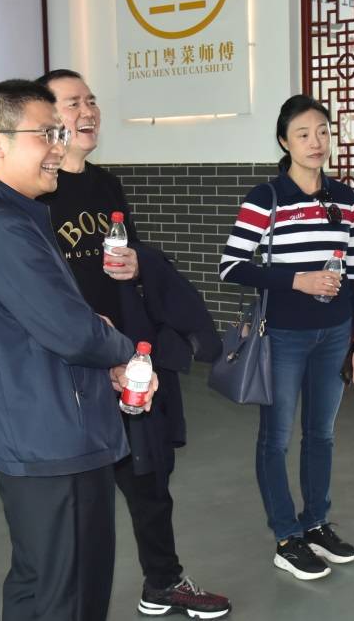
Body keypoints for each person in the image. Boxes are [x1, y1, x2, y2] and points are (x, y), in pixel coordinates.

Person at [0, 79, 157, 621]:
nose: (57, 147)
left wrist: (94, 332)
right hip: (56, 440)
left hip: (38, 432)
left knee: (36, 583)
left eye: (59, 134)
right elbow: (72, 332)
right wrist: (121, 350)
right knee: (71, 594)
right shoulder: (6, 227)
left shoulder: (9, 213)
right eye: (45, 134)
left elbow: (54, 321)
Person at [36, 69, 231, 620]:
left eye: (91, 100)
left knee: (149, 477)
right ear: (46, 118)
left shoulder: (105, 183)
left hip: (126, 355)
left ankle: (163, 582)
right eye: (73, 103)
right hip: (74, 365)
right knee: (77, 497)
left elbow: (131, 253)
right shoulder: (38, 193)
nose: (88, 111)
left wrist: (139, 265)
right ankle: (66, 602)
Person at [219, 94, 354, 581]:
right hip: (282, 336)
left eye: (323, 131)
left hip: (335, 334)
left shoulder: (345, 198)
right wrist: (296, 280)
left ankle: (316, 523)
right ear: (284, 142)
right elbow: (232, 266)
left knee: (322, 434)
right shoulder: (267, 198)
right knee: (277, 438)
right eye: (303, 134)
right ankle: (287, 537)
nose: (316, 142)